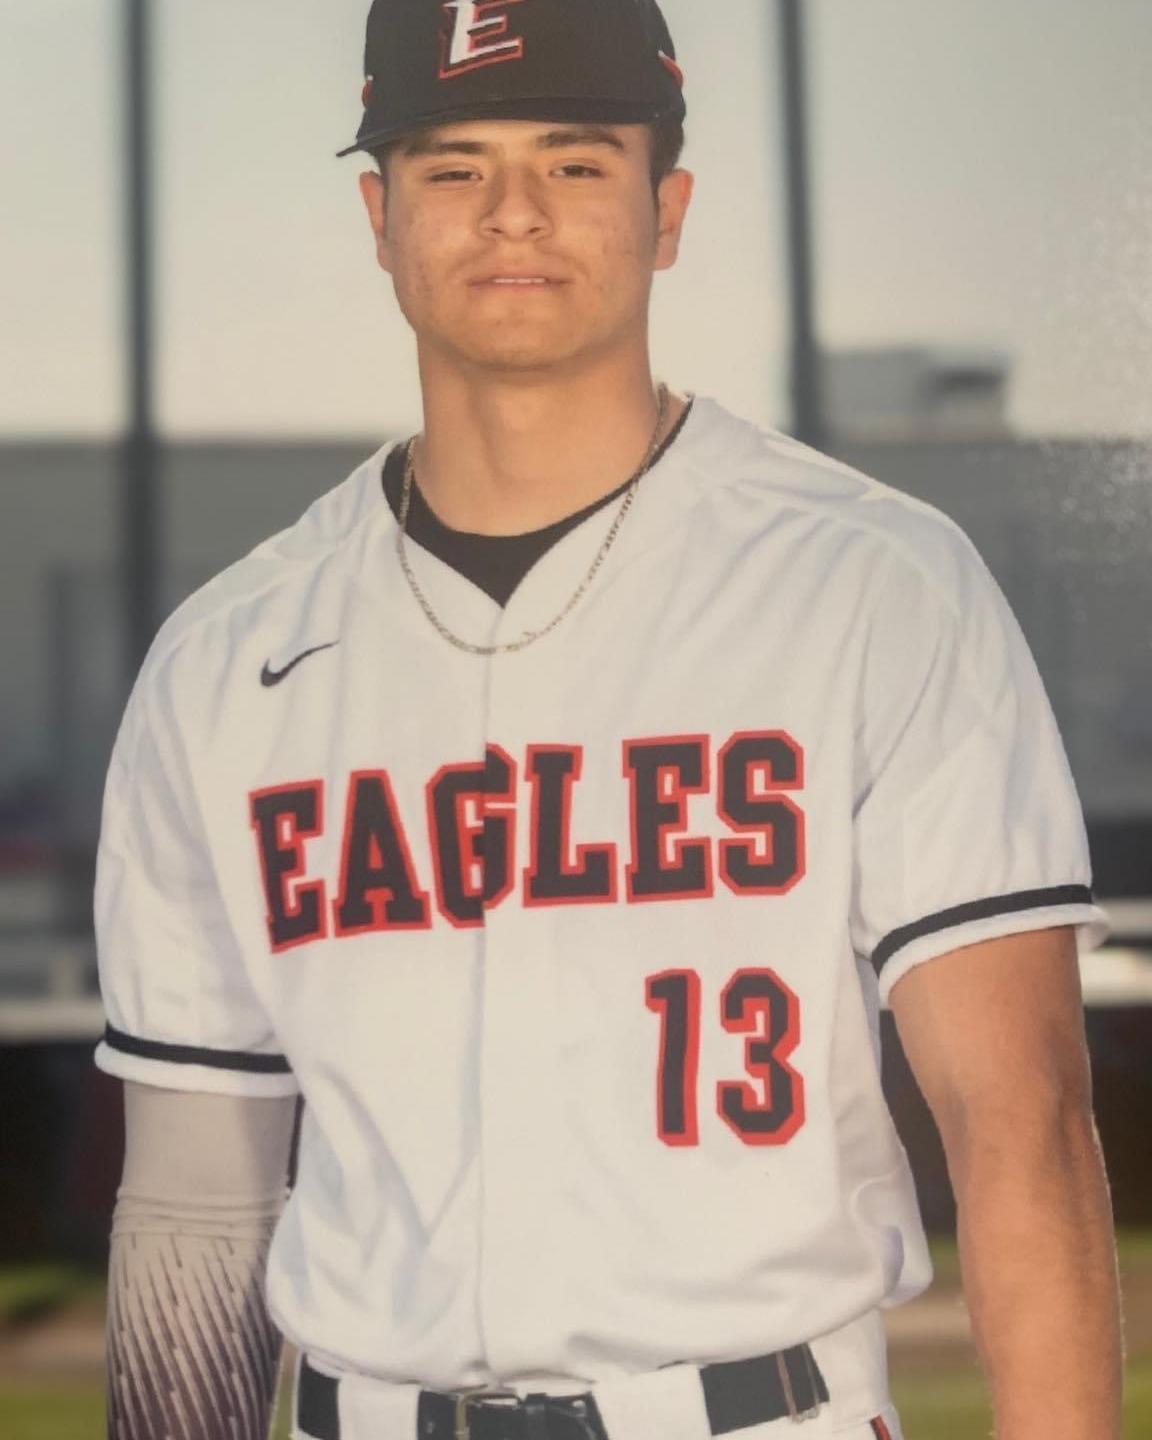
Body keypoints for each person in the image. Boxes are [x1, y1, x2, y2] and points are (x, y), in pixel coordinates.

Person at [95, 2, 1124, 1438]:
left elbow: (1020, 1122)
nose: (513, 211)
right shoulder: (225, 658)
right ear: (380, 219)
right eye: (454, 166)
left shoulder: (874, 583)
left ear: (667, 212)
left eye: (576, 163)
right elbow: (199, 1198)